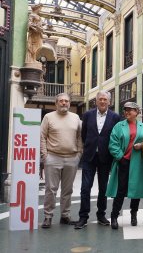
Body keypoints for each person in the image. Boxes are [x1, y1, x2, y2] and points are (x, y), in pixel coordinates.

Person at [74, 91, 121, 229]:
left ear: (109, 102)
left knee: (103, 188)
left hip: (105, 157)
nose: (102, 101)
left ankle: (101, 215)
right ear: (96, 101)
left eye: (105, 99)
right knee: (85, 188)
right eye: (100, 99)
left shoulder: (115, 117)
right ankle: (83, 217)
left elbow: (116, 136)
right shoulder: (87, 115)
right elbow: (84, 134)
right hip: (89, 156)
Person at [40, 93, 82, 228]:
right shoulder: (48, 117)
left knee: (67, 190)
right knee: (51, 189)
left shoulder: (76, 118)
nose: (64, 103)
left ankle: (65, 216)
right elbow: (42, 136)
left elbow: (80, 137)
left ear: (69, 103)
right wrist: (45, 155)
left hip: (71, 158)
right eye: (61, 101)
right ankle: (48, 216)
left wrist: (79, 153)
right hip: (53, 157)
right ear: (56, 103)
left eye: (66, 101)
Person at [106, 102, 143, 229]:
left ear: (137, 112)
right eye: (125, 110)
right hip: (123, 162)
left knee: (136, 189)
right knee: (121, 189)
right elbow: (113, 143)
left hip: (138, 163)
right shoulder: (119, 126)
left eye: (131, 110)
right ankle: (114, 216)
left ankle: (133, 214)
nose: (127, 112)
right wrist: (120, 157)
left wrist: (142, 145)